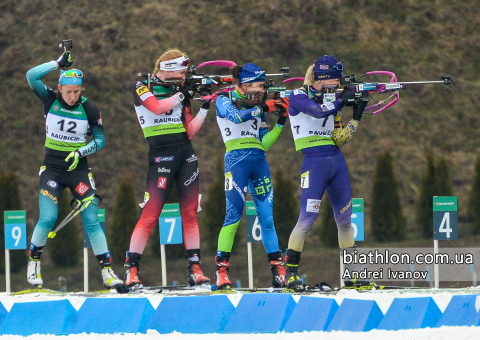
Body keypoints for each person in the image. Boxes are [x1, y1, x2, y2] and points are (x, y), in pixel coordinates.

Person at [25, 51, 124, 290]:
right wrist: (57, 63)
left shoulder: (89, 108)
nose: (72, 96)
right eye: (68, 91)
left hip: (78, 169)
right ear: (59, 88)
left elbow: (100, 140)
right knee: (47, 217)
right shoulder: (50, 99)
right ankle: (33, 263)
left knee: (92, 219)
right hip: (52, 168)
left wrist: (80, 152)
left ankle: (107, 272)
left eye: (76, 92)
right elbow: (31, 76)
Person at [125, 50, 210, 288]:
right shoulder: (142, 85)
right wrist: (183, 94)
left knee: (191, 214)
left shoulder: (179, 90)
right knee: (150, 214)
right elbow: (157, 107)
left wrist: (204, 106)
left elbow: (190, 130)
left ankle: (195, 269)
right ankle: (131, 271)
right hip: (161, 154)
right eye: (181, 71)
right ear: (168, 68)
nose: (184, 75)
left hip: (185, 153)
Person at [285, 55, 368, 289]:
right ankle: (290, 273)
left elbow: (340, 139)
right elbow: (319, 111)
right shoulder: (298, 95)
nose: (339, 86)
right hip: (314, 162)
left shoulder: (334, 99)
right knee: (306, 219)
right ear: (324, 79)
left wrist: (358, 115)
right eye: (336, 81)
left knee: (344, 220)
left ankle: (352, 274)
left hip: (335, 161)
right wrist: (342, 100)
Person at [214, 63, 290, 289]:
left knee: (267, 219)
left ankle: (278, 270)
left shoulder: (258, 105)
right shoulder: (224, 98)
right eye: (259, 86)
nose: (263, 91)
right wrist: (263, 108)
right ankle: (222, 272)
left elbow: (263, 143)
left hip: (258, 162)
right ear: (245, 84)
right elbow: (237, 118)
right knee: (233, 216)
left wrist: (282, 121)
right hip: (235, 162)